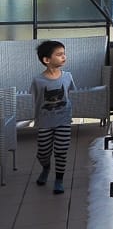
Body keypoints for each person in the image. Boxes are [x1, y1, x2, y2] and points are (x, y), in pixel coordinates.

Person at [30, 40, 75, 194]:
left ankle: (59, 179)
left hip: (63, 120)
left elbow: (69, 95)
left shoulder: (67, 77)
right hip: (45, 122)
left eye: (64, 54)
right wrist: (36, 119)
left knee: (61, 151)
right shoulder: (38, 81)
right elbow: (36, 101)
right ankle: (45, 167)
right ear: (46, 60)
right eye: (59, 54)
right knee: (43, 152)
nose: (64, 57)